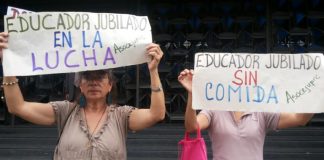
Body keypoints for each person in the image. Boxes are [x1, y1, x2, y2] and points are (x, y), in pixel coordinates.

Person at [0, 32, 166, 160]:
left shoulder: (121, 116)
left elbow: (156, 114)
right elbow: (17, 107)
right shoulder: (64, 111)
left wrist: (153, 71)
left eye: (100, 76)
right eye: (87, 76)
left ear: (110, 85)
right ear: (80, 84)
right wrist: (8, 64)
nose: (94, 82)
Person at [178, 68, 315, 160]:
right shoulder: (214, 108)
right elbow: (192, 127)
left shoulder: (261, 110)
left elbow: (300, 119)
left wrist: (318, 94)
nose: (239, 83)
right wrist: (192, 93)